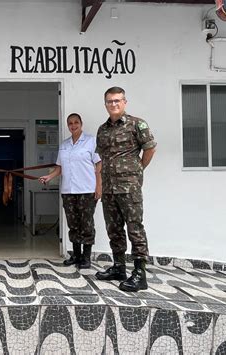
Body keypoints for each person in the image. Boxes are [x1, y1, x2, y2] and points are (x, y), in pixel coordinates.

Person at [95, 87, 156, 292]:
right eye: (110, 101)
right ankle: (119, 267)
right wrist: (101, 185)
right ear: (105, 104)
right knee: (114, 229)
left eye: (117, 100)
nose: (114, 104)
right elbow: (102, 159)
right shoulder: (102, 129)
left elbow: (150, 148)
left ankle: (140, 273)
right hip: (110, 188)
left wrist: (138, 169)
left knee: (135, 228)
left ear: (125, 102)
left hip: (129, 187)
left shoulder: (137, 124)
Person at [39, 113, 102, 269]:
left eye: (76, 122)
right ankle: (76, 255)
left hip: (87, 190)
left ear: (81, 123)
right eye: (70, 123)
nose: (73, 125)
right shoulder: (64, 145)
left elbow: (99, 164)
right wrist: (49, 176)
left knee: (86, 224)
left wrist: (99, 186)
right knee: (73, 224)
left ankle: (86, 258)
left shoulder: (91, 141)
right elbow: (60, 167)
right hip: (68, 190)